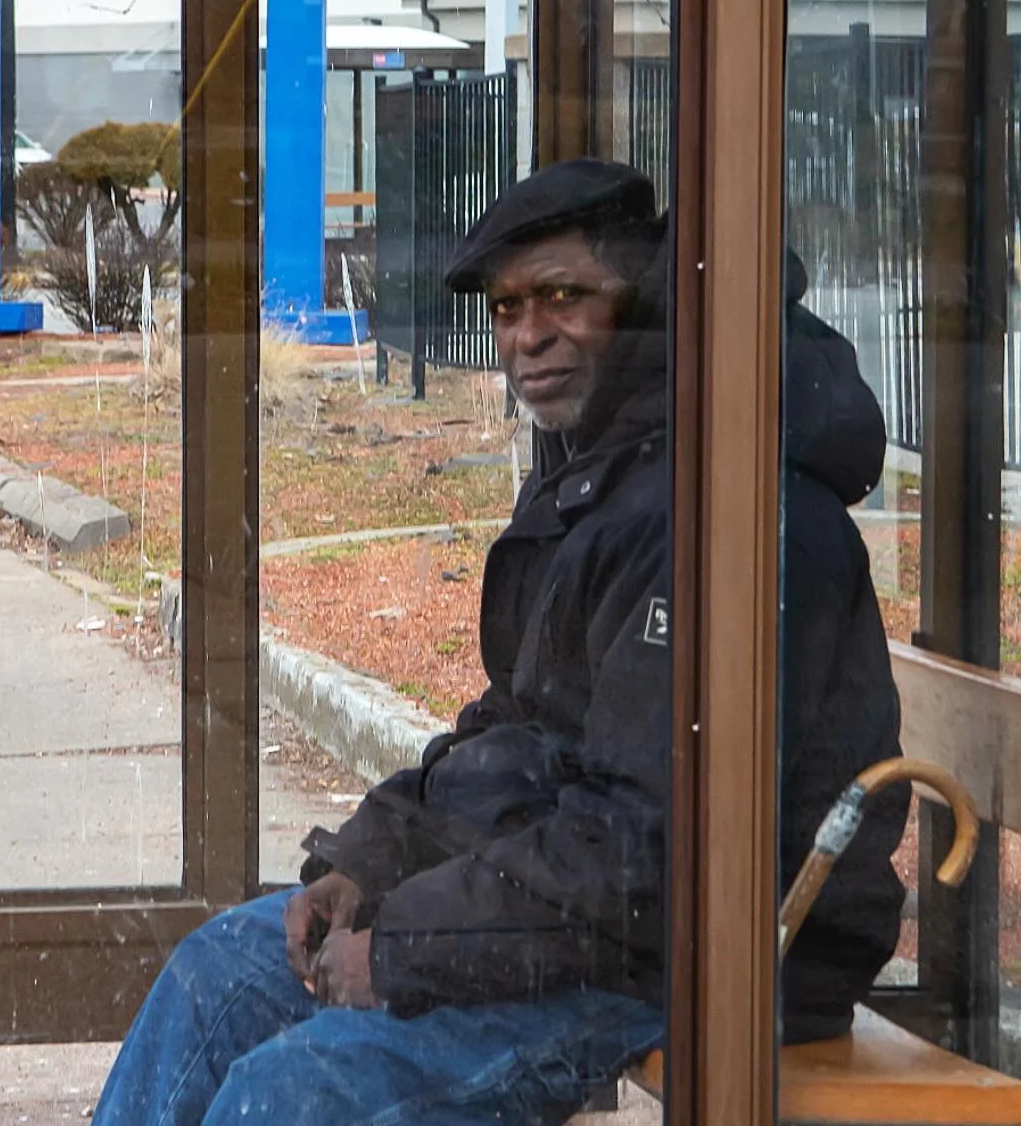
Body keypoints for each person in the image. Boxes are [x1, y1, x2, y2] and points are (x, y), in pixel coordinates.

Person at [92, 159, 906, 1126]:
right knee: (215, 972)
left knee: (297, 1097)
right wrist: (367, 861)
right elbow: (518, 724)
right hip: (575, 924)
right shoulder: (609, 473)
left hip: (701, 959)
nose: (528, 335)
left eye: (564, 295)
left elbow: (639, 854)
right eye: (508, 306)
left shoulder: (724, 507)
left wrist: (398, 952)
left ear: (641, 300)